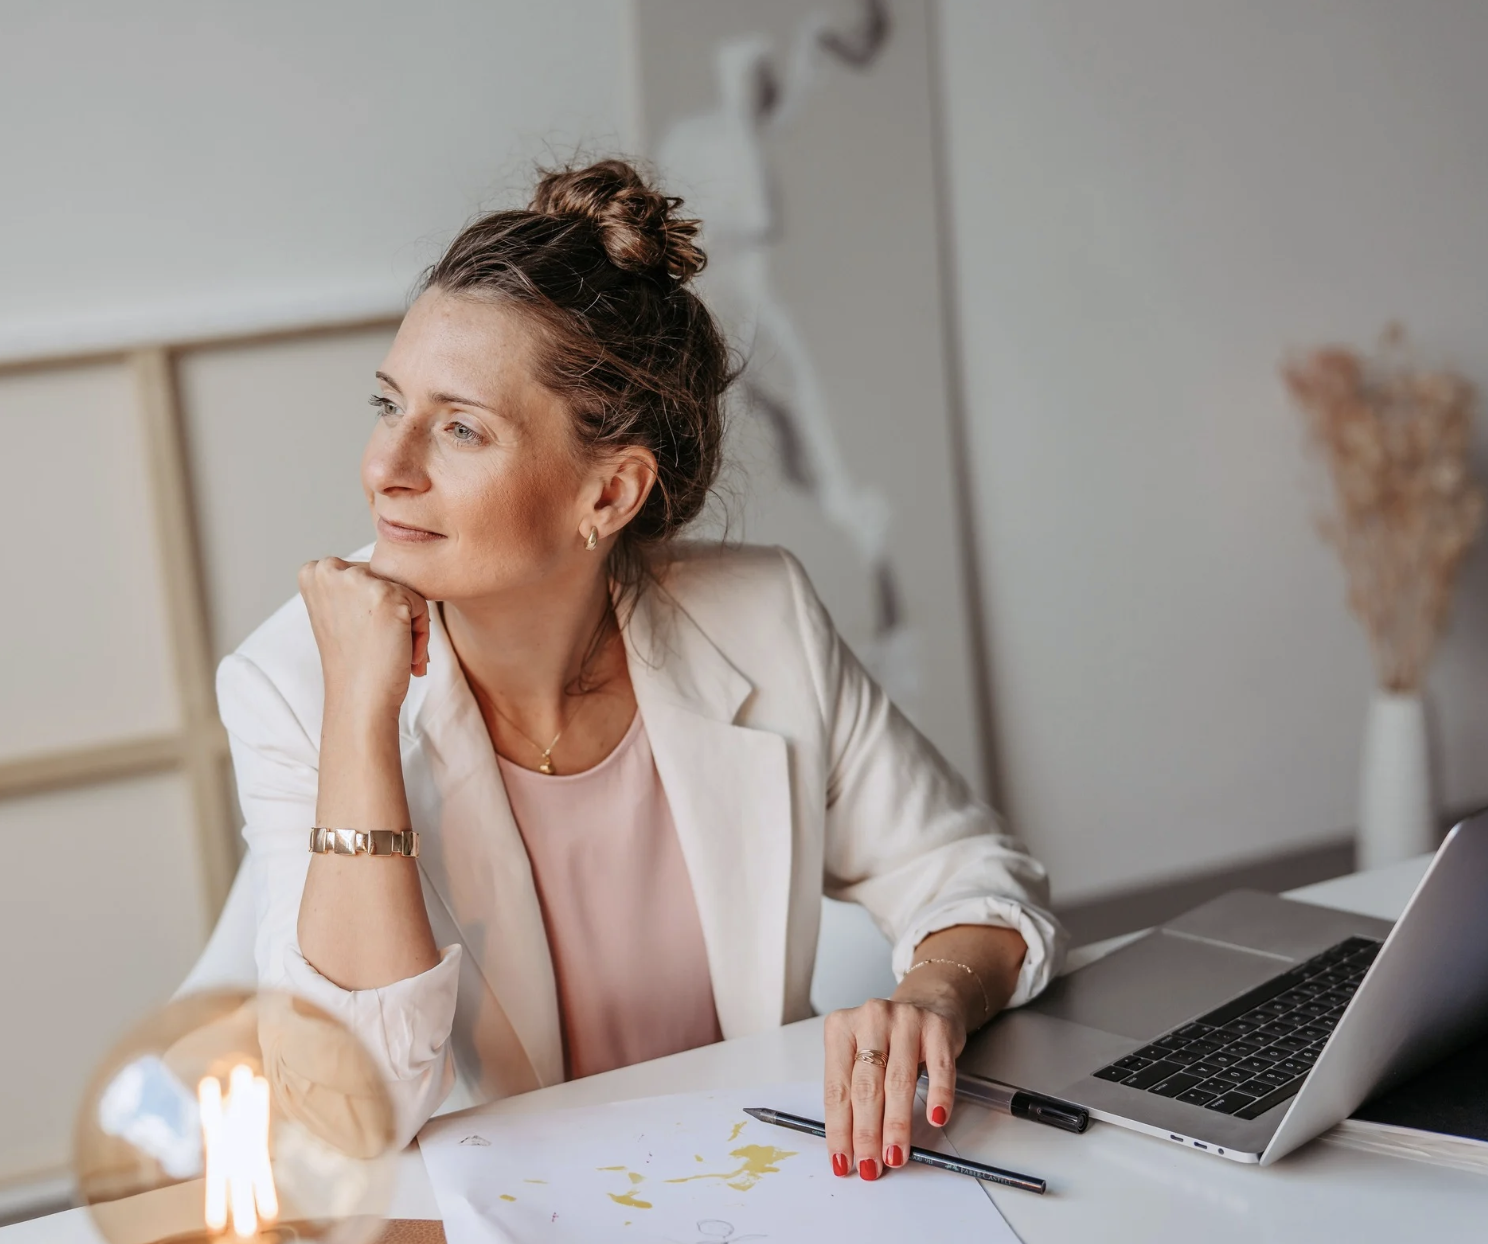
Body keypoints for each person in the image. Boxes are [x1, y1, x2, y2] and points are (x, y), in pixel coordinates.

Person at [187, 158, 1063, 1184]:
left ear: (608, 496)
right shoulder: (295, 677)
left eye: (459, 427)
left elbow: (975, 879)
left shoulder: (758, 615)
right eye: (390, 404)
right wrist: (358, 713)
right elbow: (353, 1108)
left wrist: (928, 997)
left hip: (753, 1186)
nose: (387, 464)